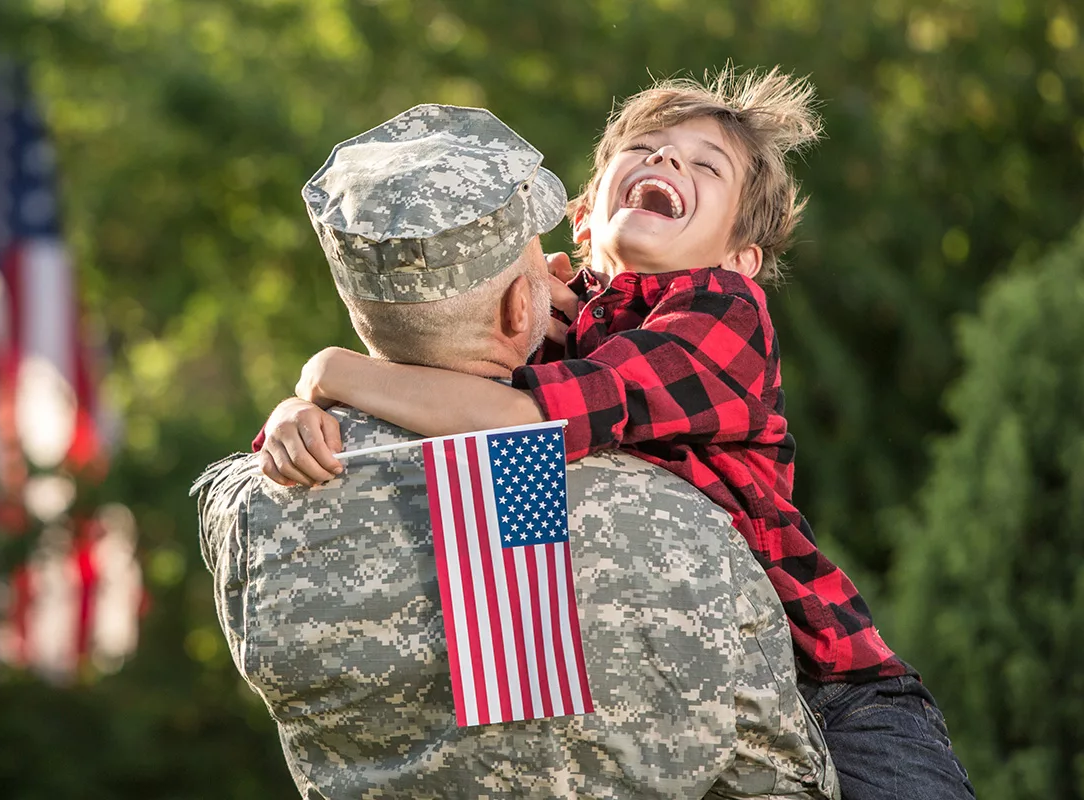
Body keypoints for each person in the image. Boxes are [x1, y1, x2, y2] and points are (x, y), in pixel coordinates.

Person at [259, 69, 974, 800]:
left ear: (739, 256)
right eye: (646, 148)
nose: (667, 162)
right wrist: (299, 415)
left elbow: (543, 414)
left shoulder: (723, 310)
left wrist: (330, 371)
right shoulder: (534, 321)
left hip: (825, 685)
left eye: (705, 165)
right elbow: (433, 391)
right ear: (583, 219)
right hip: (659, 679)